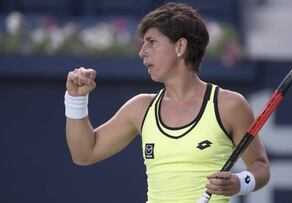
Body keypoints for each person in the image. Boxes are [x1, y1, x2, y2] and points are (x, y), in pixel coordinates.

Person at [64, 2, 270, 203]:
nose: (142, 51)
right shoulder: (140, 108)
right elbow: (84, 153)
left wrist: (239, 182)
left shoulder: (229, 105)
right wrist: (76, 99)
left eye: (152, 42)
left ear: (180, 46)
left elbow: (260, 166)